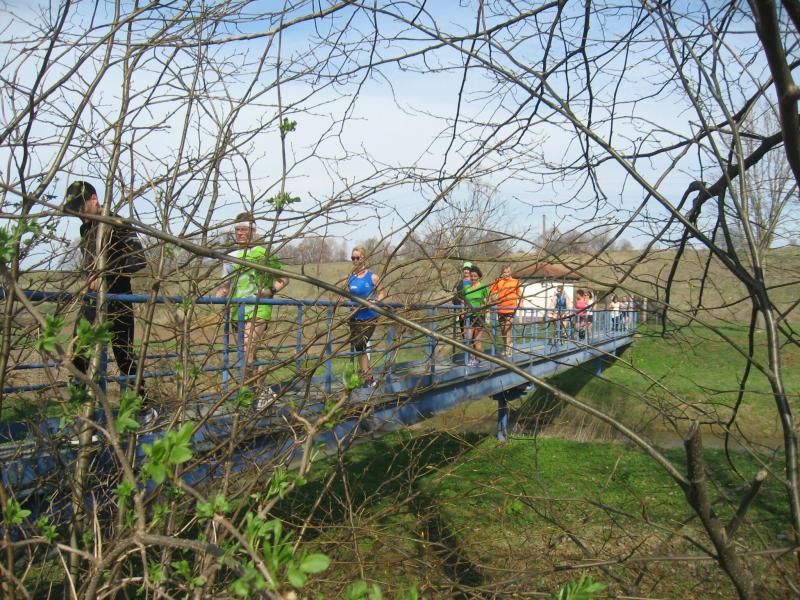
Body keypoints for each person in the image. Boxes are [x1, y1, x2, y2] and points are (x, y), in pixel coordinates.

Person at [63, 180, 148, 399]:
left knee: (124, 355)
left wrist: (104, 274)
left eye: (81, 208)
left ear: (94, 199)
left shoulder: (117, 223)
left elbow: (139, 260)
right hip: (92, 299)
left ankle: (141, 405)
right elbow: (88, 264)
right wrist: (87, 279)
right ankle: (81, 406)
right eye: (75, 211)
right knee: (79, 349)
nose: (80, 215)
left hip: (118, 298)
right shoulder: (85, 228)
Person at [216, 212, 289, 383]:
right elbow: (225, 284)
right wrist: (220, 293)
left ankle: (245, 390)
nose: (240, 233)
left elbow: (284, 278)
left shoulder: (263, 253)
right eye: (237, 230)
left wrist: (270, 290)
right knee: (248, 352)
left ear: (253, 230)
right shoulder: (229, 255)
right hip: (237, 310)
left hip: (259, 307)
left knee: (246, 348)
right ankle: (259, 388)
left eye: (244, 229)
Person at [346, 246, 386, 387]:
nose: (355, 260)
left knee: (360, 344)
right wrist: (348, 304)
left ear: (363, 258)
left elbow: (382, 293)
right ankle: (367, 378)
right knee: (359, 348)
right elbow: (344, 295)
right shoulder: (350, 278)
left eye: (357, 257)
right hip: (354, 318)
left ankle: (366, 376)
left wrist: (375, 302)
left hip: (369, 317)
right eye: (353, 258)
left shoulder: (372, 277)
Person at [489, 265, 521, 356]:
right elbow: (491, 292)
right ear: (502, 273)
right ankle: (507, 345)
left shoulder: (515, 281)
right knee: (503, 330)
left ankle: (508, 349)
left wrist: (521, 304)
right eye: (504, 272)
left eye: (508, 272)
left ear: (511, 272)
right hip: (501, 308)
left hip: (511, 308)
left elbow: (519, 293)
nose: (506, 274)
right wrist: (491, 299)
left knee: (507, 328)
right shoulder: (499, 281)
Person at [464, 265, 490, 366]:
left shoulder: (483, 287)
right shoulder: (466, 288)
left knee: (477, 340)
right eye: (471, 276)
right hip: (469, 316)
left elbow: (488, 301)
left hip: (479, 316)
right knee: (469, 338)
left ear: (479, 276)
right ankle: (472, 358)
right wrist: (462, 312)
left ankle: (478, 358)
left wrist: (484, 306)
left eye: (475, 276)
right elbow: (464, 301)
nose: (473, 278)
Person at [451, 261, 473, 339]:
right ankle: (465, 344)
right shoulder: (459, 283)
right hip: (462, 311)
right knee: (464, 333)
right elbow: (455, 297)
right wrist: (459, 307)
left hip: (473, 311)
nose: (466, 271)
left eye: (468, 269)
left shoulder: (475, 282)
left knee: (472, 334)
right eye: (465, 269)